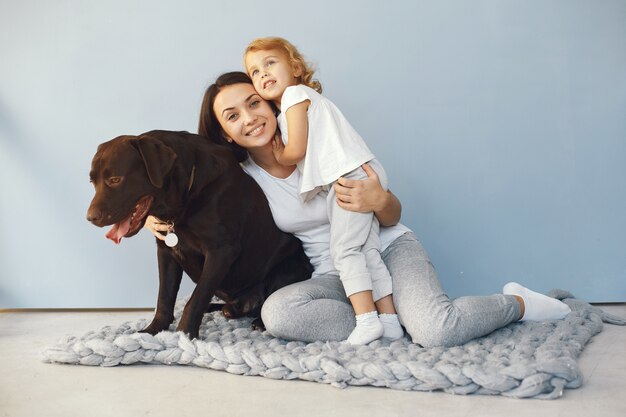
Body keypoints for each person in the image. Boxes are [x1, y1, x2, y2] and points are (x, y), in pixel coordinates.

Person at [145, 71, 572, 348]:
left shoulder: (321, 140)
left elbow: (390, 213)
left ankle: (516, 302)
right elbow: (186, 198)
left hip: (388, 250)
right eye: (232, 115)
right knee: (277, 314)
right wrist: (153, 218)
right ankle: (385, 316)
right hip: (332, 275)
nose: (250, 118)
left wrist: (381, 201)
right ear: (225, 133)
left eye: (254, 103)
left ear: (273, 103)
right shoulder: (240, 181)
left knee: (439, 332)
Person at [243, 37, 400, 345]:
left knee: (344, 252)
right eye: (255, 72)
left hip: (350, 177)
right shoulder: (294, 105)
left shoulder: (294, 97)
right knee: (367, 253)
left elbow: (297, 150)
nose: (263, 74)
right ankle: (390, 320)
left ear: (296, 68)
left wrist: (281, 155)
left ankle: (367, 321)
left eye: (271, 63)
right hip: (359, 171)